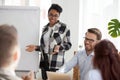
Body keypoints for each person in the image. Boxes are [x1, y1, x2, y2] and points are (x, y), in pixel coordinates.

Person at [26, 3, 72, 80]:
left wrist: (59, 47)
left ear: (59, 16)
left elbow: (69, 45)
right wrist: (36, 47)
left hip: (56, 63)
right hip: (44, 62)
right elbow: (45, 47)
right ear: (47, 14)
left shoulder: (64, 27)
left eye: (55, 15)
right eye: (51, 14)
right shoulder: (45, 28)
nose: (52, 17)